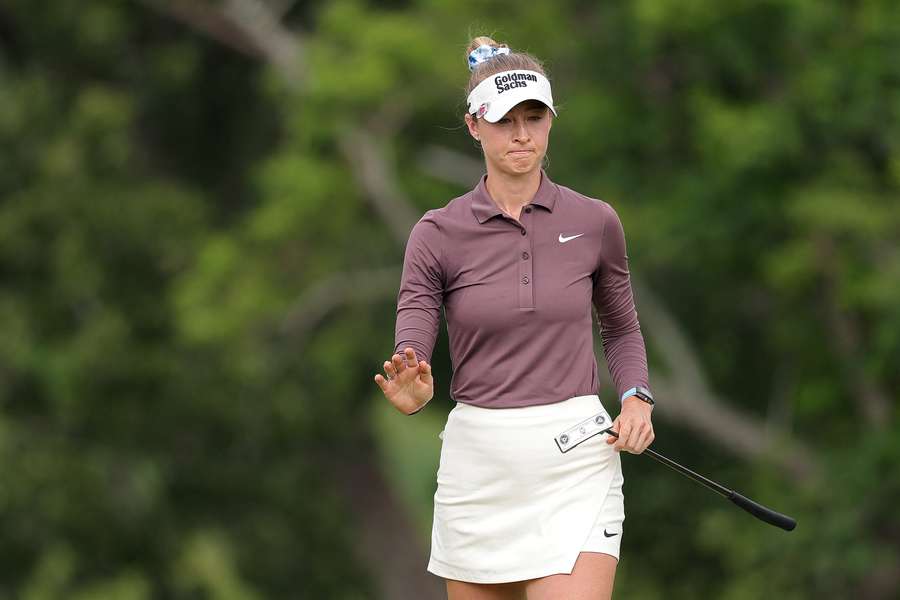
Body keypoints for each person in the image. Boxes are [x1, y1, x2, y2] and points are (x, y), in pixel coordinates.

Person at [373, 36, 655, 600]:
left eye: (534, 117)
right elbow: (415, 329)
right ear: (475, 125)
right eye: (505, 121)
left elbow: (621, 328)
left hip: (576, 460)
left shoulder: (595, 221)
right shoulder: (437, 233)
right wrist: (414, 379)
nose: (522, 134)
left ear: (551, 121)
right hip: (480, 468)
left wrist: (637, 398)